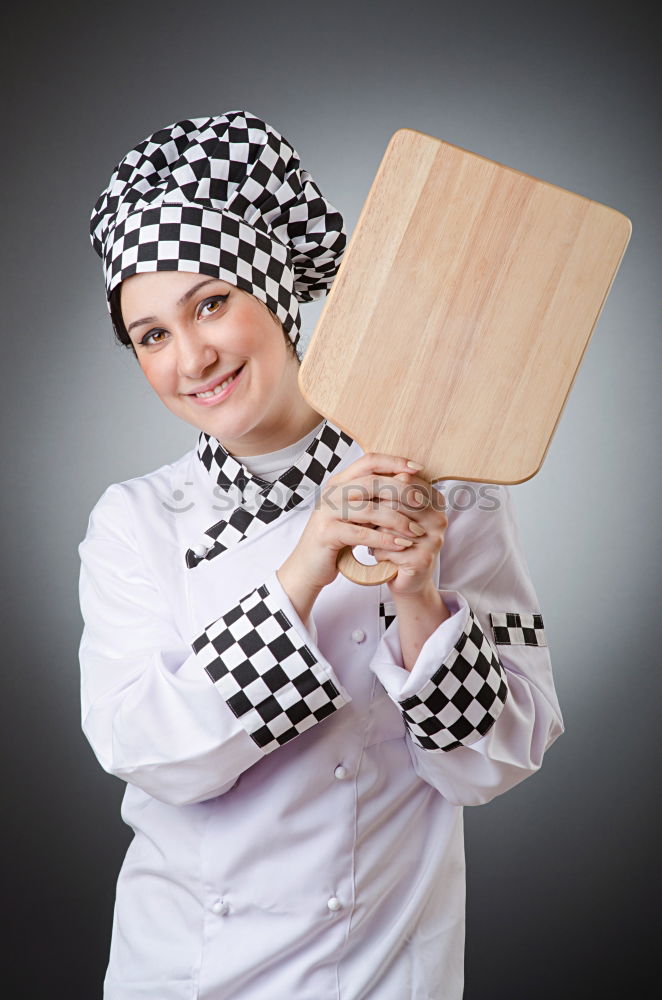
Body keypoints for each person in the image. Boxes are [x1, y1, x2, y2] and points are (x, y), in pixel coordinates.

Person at [79, 109, 564, 1000]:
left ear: (275, 291)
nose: (192, 357)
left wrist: (420, 595)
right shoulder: (133, 524)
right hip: (187, 974)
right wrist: (306, 566)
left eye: (211, 302)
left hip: (386, 972)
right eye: (151, 335)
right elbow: (149, 754)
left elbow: (496, 761)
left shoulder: (450, 487)